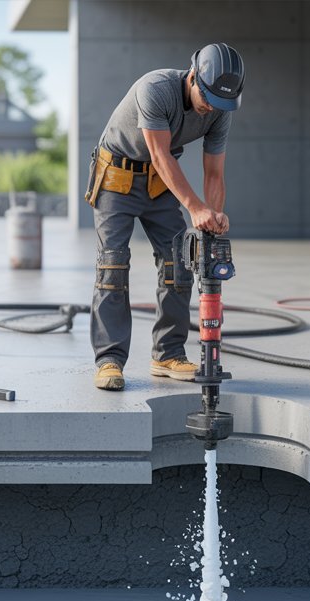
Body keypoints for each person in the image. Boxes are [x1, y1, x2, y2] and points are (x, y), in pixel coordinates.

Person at [86, 43, 244, 391]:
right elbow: (160, 155)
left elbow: (214, 174)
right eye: (208, 100)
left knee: (180, 261)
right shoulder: (155, 89)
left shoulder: (220, 108)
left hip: (159, 185)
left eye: (220, 104)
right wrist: (195, 207)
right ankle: (109, 359)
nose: (210, 110)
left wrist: (213, 218)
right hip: (118, 177)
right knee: (113, 265)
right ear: (193, 77)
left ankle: (167, 354)